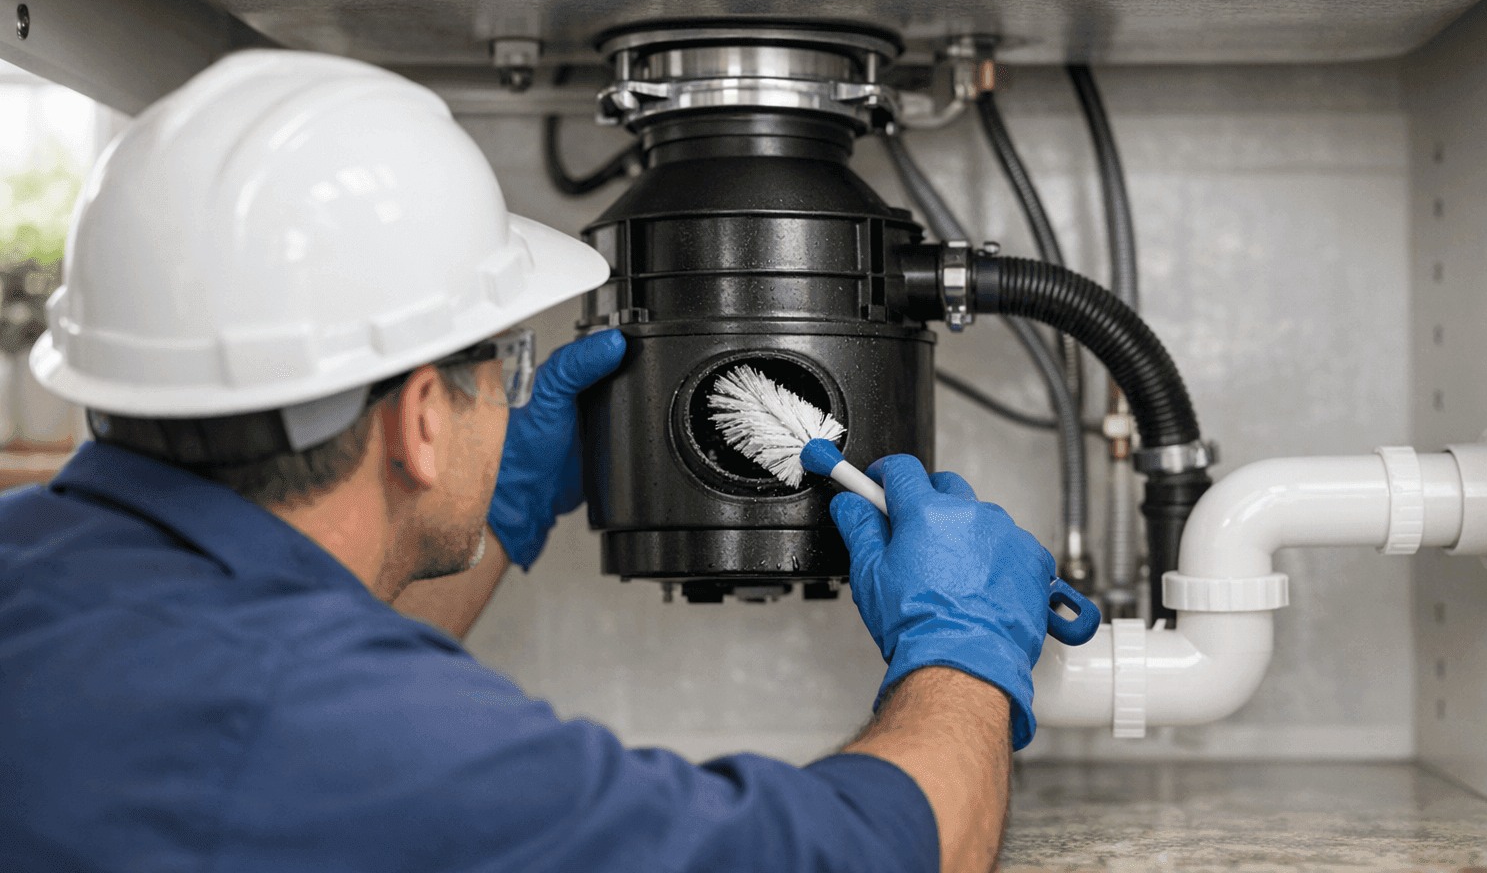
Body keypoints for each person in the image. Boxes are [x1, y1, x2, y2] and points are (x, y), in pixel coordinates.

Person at [0, 50, 1086, 873]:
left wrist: (499, 510)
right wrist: (965, 648)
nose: (521, 388)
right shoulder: (369, 742)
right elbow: (858, 856)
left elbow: (285, 671)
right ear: (420, 420)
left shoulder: (43, 572)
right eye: (505, 359)